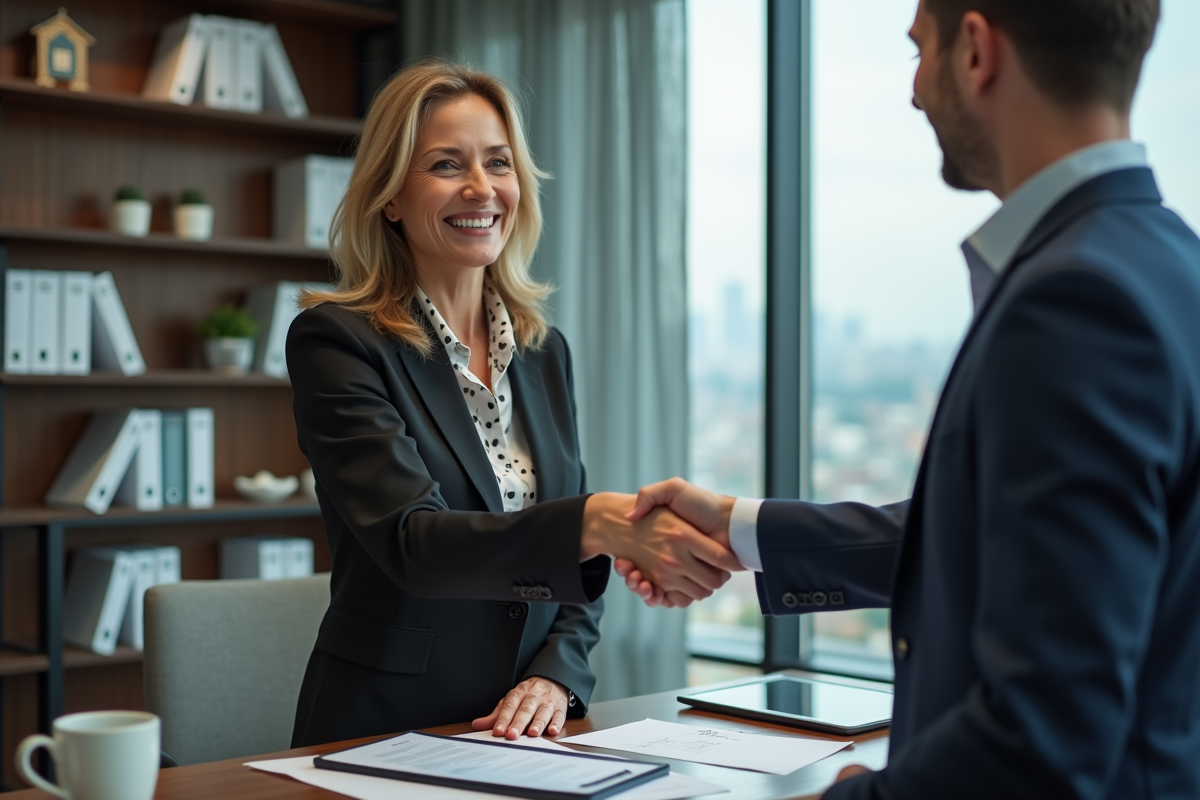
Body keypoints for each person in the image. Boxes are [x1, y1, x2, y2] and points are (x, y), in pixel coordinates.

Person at [616, 0, 1200, 797]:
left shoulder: (1073, 302)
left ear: (976, 51)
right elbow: (1011, 551)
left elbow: (1043, 736)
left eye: (918, 49)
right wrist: (744, 528)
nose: (914, 91)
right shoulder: (1169, 264)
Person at [286, 60, 738, 747]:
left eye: (498, 162)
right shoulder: (338, 342)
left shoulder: (542, 350)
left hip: (529, 736)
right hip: (382, 733)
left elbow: (576, 577)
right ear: (390, 197)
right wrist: (598, 522)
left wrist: (556, 675)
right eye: (445, 164)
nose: (481, 187)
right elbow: (414, 544)